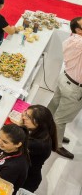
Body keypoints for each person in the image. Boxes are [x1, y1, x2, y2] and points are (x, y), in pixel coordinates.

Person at [48, 16, 82, 160]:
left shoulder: (72, 39)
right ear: (78, 30)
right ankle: (57, 144)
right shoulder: (80, 43)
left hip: (66, 78)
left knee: (54, 107)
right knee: (61, 118)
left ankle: (50, 133)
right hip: (74, 87)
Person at [21, 105, 58, 192]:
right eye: (25, 113)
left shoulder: (38, 144)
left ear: (38, 123)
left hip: (26, 180)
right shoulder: (42, 133)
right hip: (27, 173)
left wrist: (20, 126)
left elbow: (14, 142)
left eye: (28, 116)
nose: (23, 117)